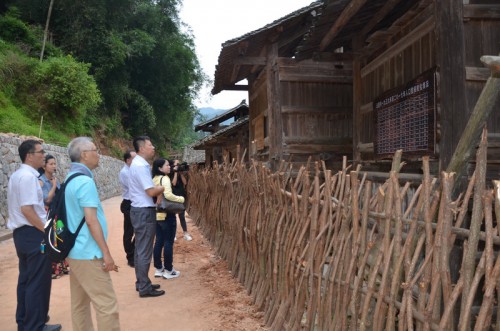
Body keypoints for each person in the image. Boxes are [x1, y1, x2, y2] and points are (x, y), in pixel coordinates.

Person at [63, 137, 120, 330]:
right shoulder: (85, 182)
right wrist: (106, 252)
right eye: (95, 150)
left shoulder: (69, 179)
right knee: (106, 305)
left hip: (75, 252)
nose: (99, 154)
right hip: (89, 253)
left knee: (79, 304)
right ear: (84, 155)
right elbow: (90, 220)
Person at [7, 139, 62, 331]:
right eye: (41, 152)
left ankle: (24, 321)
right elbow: (28, 210)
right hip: (34, 233)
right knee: (38, 281)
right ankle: (35, 325)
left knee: (27, 279)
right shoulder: (29, 177)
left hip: (22, 235)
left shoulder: (17, 175)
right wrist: (46, 231)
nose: (44, 155)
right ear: (30, 156)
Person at [128, 136, 165, 297]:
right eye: (150, 145)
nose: (153, 147)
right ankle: (144, 287)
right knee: (144, 250)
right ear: (142, 148)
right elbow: (150, 191)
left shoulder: (136, 164)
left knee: (139, 249)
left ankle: (141, 282)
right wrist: (162, 187)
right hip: (144, 211)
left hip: (138, 210)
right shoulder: (141, 166)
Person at [38, 154, 69, 279]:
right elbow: (47, 200)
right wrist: (54, 186)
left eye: (55, 164)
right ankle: (51, 270)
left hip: (58, 215)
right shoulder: (41, 181)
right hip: (48, 216)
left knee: (60, 239)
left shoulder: (54, 179)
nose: (54, 166)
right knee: (50, 240)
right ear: (44, 166)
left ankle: (61, 267)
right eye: (51, 164)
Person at [152, 158, 184, 279]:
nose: (169, 167)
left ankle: (159, 268)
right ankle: (169, 270)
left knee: (159, 241)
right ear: (160, 168)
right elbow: (168, 195)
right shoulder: (164, 178)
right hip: (166, 214)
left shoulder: (154, 178)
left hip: (157, 214)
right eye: (167, 165)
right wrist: (181, 199)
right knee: (168, 242)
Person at [119, 150, 137, 267]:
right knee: (129, 231)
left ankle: (134, 253)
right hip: (128, 203)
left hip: (134, 202)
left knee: (139, 230)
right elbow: (134, 187)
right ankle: (130, 257)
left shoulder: (133, 170)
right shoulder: (125, 172)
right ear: (128, 160)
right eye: (135, 158)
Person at [170, 159, 192, 241]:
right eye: (177, 164)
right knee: (173, 217)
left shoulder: (181, 173)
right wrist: (175, 173)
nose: (178, 165)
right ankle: (173, 234)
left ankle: (185, 233)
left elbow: (185, 183)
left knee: (182, 216)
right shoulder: (170, 174)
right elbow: (174, 183)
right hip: (173, 197)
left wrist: (181, 173)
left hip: (181, 197)